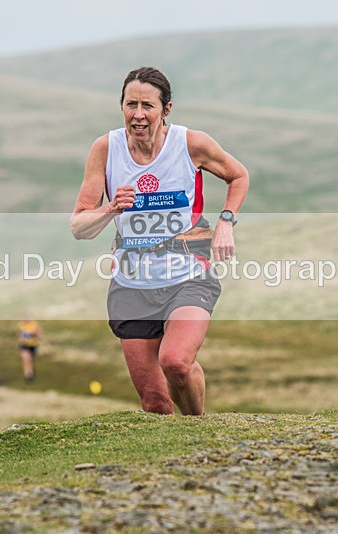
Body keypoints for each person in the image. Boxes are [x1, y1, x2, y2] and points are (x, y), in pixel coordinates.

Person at [70, 66, 249, 416]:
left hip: (188, 274)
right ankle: (178, 453)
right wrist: (110, 209)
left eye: (147, 106)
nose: (138, 115)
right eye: (130, 104)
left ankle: (198, 431)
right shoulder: (106, 149)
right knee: (154, 403)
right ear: (121, 106)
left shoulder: (191, 143)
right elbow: (79, 225)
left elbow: (238, 175)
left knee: (177, 363)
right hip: (131, 284)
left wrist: (226, 222)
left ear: (166, 109)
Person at [17, 315, 42, 384]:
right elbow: (19, 335)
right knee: (26, 360)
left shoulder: (35, 325)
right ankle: (27, 376)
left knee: (31, 361)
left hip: (33, 345)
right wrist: (20, 340)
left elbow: (39, 335)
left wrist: (34, 334)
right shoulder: (21, 325)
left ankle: (31, 373)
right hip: (24, 346)